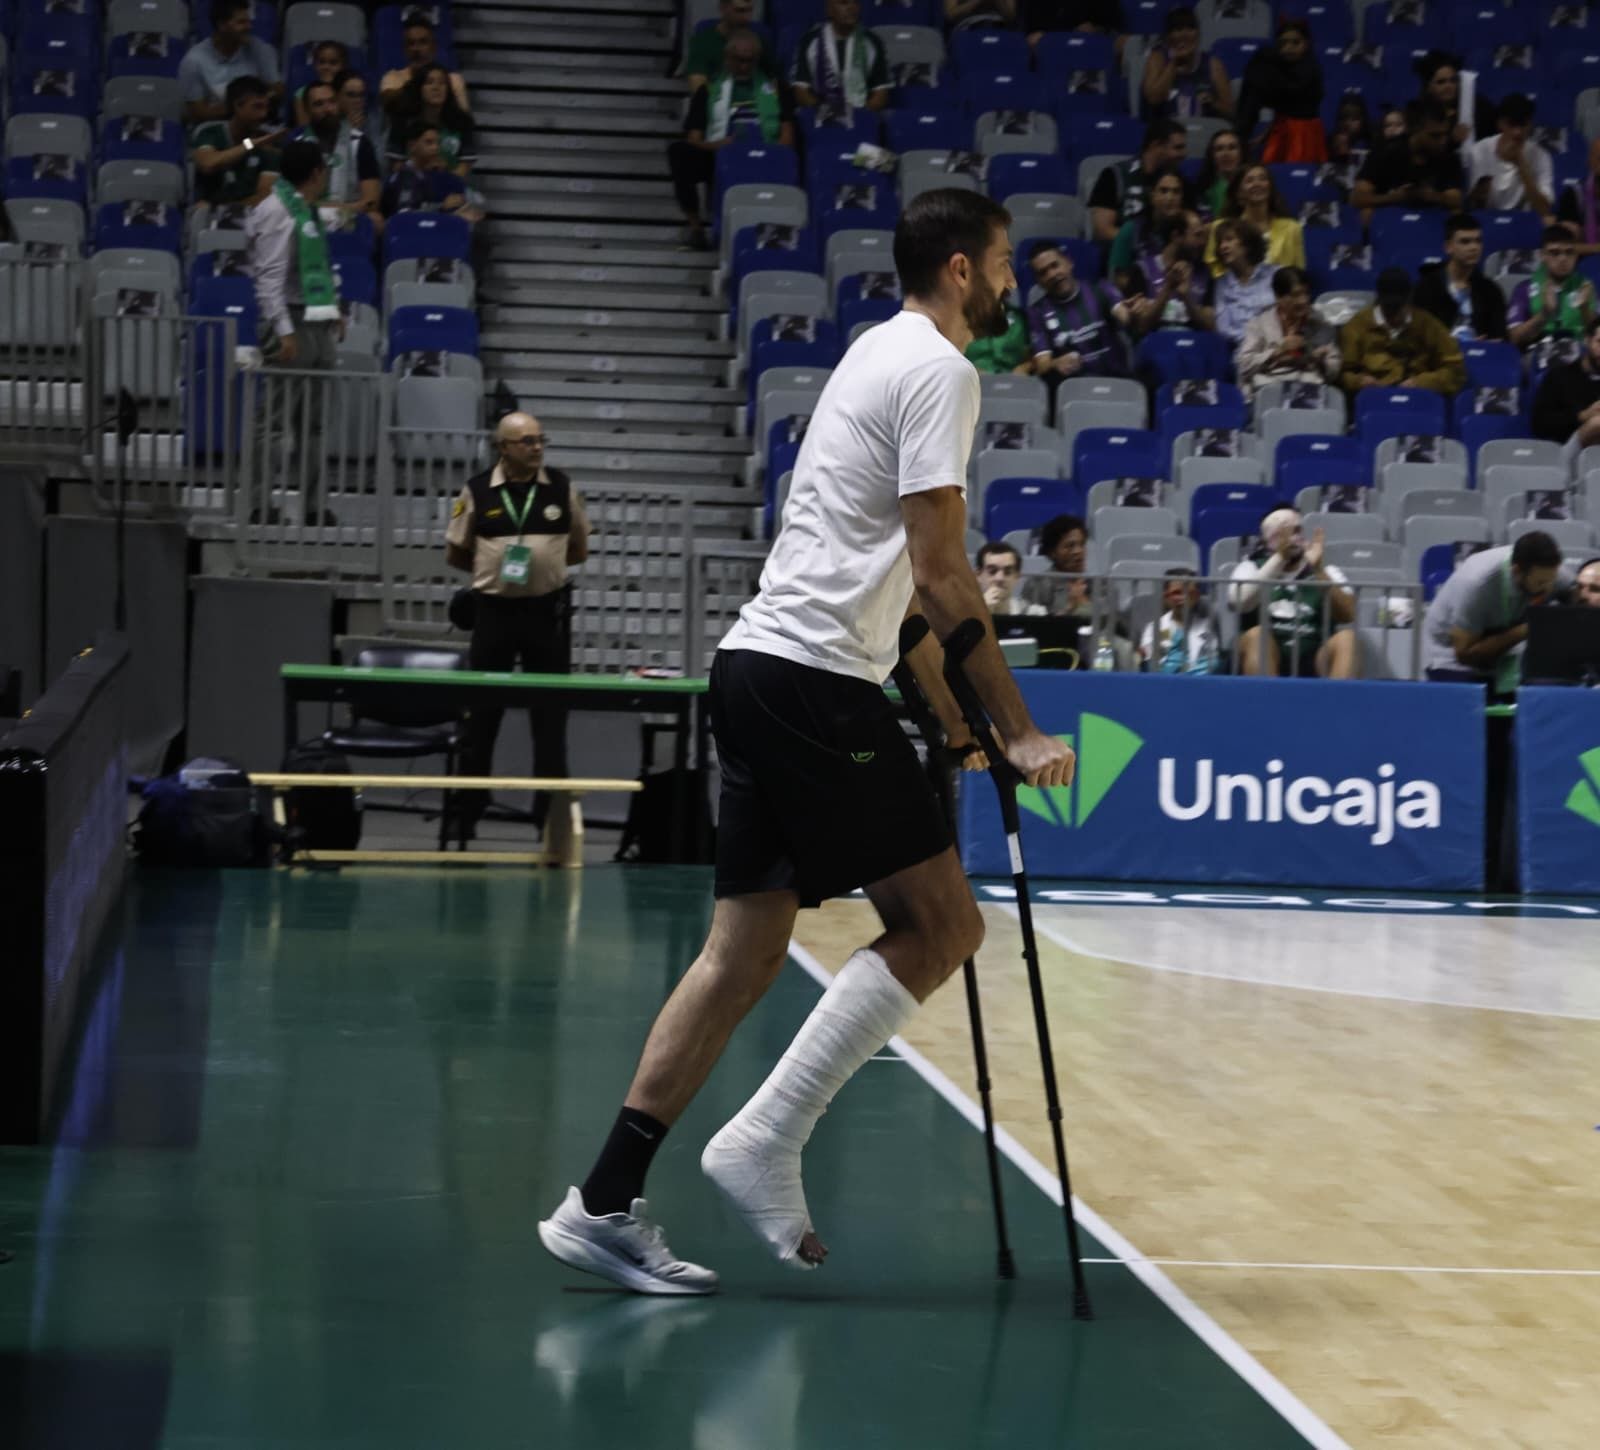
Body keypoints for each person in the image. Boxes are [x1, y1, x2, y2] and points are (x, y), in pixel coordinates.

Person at [535, 189, 1074, 1293]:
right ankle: (766, 1136)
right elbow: (938, 571)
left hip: (759, 670)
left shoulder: (872, 353)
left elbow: (896, 591)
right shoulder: (941, 371)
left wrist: (949, 716)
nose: (1016, 281)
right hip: (814, 683)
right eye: (1007, 263)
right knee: (942, 924)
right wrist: (1014, 729)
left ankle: (600, 1200)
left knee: (741, 956)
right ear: (963, 270)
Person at [445, 412, 589, 835]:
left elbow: (578, 548)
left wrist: (543, 571)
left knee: (549, 720)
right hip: (493, 614)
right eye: (525, 441)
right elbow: (457, 551)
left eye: (540, 439)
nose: (536, 447)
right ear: (502, 448)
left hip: (547, 615)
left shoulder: (562, 488)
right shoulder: (475, 491)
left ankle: (550, 819)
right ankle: (467, 814)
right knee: (481, 717)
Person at [245, 140, 341, 523]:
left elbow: (318, 264)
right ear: (317, 173)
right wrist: (283, 331)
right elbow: (268, 279)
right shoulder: (274, 210)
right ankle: (259, 505)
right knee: (274, 421)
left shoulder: (306, 209)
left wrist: (334, 306)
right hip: (288, 320)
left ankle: (315, 508)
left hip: (316, 317)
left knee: (314, 421)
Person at [670, 34, 794, 250]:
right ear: (727, 59)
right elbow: (693, 139)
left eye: (750, 61)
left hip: (766, 155)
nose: (744, 66)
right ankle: (697, 229)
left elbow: (787, 133)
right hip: (722, 154)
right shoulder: (708, 91)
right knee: (679, 152)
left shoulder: (776, 89)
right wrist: (721, 146)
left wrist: (768, 152)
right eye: (739, 60)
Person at [1228, 507, 1357, 678]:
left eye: (1297, 531)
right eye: (1284, 533)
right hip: (1266, 653)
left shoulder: (1326, 571)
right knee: (1257, 636)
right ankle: (1263, 701)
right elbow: (1239, 603)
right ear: (1269, 539)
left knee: (1347, 639)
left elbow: (1349, 614)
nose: (1294, 538)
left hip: (1314, 655)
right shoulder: (1250, 568)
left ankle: (1335, 704)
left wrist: (1318, 571)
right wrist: (1280, 558)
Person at [1421, 532, 1565, 682]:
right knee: (1474, 700)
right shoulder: (1477, 584)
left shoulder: (1547, 569)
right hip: (1450, 657)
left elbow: (1577, 589)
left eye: (1552, 581)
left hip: (1502, 654)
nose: (1548, 588)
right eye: (1541, 583)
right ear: (1516, 571)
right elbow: (1465, 655)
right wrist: (1527, 629)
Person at [1023, 240, 1134, 388]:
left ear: (1069, 263)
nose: (1052, 274)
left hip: (1117, 379)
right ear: (1039, 281)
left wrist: (1133, 313)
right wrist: (1056, 363)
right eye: (1043, 273)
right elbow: (1042, 364)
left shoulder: (1101, 290)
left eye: (1055, 265)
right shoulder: (1037, 312)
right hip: (1075, 388)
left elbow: (1125, 317)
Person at [1339, 268, 1466, 396]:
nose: (1395, 316)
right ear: (1379, 301)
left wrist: (1422, 382)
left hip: (1417, 397)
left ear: (1409, 300)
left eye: (1398, 308)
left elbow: (1455, 370)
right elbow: (1342, 373)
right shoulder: (1357, 326)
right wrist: (1359, 381)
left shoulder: (1428, 325)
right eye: (1389, 309)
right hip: (1373, 396)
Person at [294, 79, 382, 236]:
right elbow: (295, 201)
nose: (328, 109)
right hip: (309, 217)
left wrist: (340, 209)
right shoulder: (298, 146)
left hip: (347, 215)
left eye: (331, 102)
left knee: (375, 221)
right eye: (319, 104)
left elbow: (371, 201)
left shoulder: (360, 142)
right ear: (307, 111)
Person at [1236, 266, 1339, 400]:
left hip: (1308, 392)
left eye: (1306, 293)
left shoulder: (1321, 325)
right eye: (1296, 295)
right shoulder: (1259, 324)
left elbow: (1334, 371)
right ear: (1278, 297)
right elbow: (1244, 366)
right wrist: (1277, 351)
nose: (1304, 300)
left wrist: (1316, 359)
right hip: (1268, 392)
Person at [1351, 100, 1465, 218]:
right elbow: (1358, 199)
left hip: (1432, 220)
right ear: (1414, 129)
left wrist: (1431, 196)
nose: (1442, 141)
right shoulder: (1385, 151)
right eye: (1434, 136)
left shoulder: (1448, 156)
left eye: (1445, 134)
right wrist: (1396, 197)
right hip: (1390, 219)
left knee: (1456, 213)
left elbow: (1456, 200)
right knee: (1365, 213)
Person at [179, 0, 282, 126]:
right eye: (241, 22)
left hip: (256, 128)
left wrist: (258, 103)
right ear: (222, 25)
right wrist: (241, 107)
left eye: (249, 21)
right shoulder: (193, 61)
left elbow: (278, 89)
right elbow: (198, 112)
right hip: (215, 130)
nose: (249, 27)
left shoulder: (261, 50)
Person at [1235, 18, 1325, 163]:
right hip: (1281, 130)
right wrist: (1266, 134)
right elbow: (1285, 107)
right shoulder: (1276, 67)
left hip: (1304, 135)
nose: (1288, 48)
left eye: (1296, 42)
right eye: (1283, 43)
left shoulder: (1311, 69)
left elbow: (1294, 98)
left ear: (1306, 44)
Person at [191, 75, 284, 209]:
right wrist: (250, 144)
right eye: (257, 107)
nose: (263, 114)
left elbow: (264, 197)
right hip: (206, 214)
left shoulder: (269, 141)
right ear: (237, 106)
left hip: (250, 215)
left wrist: (226, 208)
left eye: (266, 107)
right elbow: (208, 164)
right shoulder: (209, 131)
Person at [1088, 120, 1187, 245]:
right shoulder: (1114, 175)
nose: (1184, 154)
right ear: (1155, 146)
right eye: (1178, 148)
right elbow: (1103, 230)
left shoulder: (1178, 179)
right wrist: (1144, 244)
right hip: (1122, 256)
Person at [1413, 213, 1508, 343]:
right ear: (1448, 247)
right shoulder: (1426, 287)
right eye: (1465, 242)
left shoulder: (1491, 291)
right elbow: (1418, 336)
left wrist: (1486, 345)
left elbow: (1500, 338)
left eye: (1478, 241)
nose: (1474, 247)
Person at [790, 0, 892, 114]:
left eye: (855, 3)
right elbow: (800, 91)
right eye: (844, 3)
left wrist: (861, 116)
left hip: (862, 117)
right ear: (829, 10)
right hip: (819, 117)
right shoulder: (810, 41)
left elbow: (881, 93)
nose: (851, 7)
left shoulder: (873, 42)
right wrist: (825, 112)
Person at [1507, 226, 1596, 355]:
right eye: (1555, 253)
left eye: (1569, 252)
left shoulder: (1585, 286)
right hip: (1539, 354)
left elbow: (1596, 336)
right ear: (1542, 255)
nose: (1563, 258)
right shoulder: (1525, 288)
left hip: (1578, 355)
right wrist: (1545, 313)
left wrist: (1585, 310)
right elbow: (1513, 337)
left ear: (1576, 255)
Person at [1203, 163, 1304, 276]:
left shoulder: (1292, 228)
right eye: (1249, 180)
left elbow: (1298, 273)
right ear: (1239, 192)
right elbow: (1214, 269)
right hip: (1233, 291)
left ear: (1270, 187)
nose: (1257, 184)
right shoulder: (1219, 227)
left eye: (1262, 179)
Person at [1126, 210, 1215, 335]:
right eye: (1197, 235)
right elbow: (1141, 327)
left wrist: (1186, 297)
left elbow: (1211, 326)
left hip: (1195, 349)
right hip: (1156, 349)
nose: (1203, 242)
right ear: (1176, 237)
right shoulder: (1142, 270)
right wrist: (1167, 288)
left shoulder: (1205, 273)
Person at [386, 64, 478, 179]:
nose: (436, 87)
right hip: (413, 186)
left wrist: (445, 184)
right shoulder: (403, 122)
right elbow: (396, 165)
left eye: (442, 83)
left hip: (451, 187)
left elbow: (465, 166)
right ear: (419, 88)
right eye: (429, 82)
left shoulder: (462, 122)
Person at [1468, 94, 1553, 218]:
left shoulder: (1541, 156)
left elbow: (1544, 210)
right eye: (1511, 125)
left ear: (1530, 125)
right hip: (1487, 219)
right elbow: (1473, 207)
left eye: (1522, 125)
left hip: (1524, 219)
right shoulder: (1478, 151)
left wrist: (1520, 164)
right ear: (1500, 124)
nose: (1517, 132)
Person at [1141, 7, 1231, 121]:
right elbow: (1153, 98)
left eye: (1190, 28)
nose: (1184, 34)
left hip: (1203, 130)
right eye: (1178, 29)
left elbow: (1230, 111)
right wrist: (1174, 62)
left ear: (1198, 34)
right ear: (1168, 37)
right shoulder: (1157, 59)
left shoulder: (1213, 64)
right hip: (1165, 130)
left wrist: (1212, 102)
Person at [1107, 166, 1185, 292]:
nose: (1170, 198)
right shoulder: (1131, 230)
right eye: (1163, 191)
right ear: (1152, 196)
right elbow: (1119, 278)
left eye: (1176, 192)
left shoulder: (1187, 229)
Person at [381, 14, 470, 115]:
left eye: (423, 42)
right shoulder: (392, 78)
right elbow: (388, 104)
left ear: (434, 47)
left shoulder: (453, 80)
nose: (416, 49)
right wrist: (417, 81)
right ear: (405, 49)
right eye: (411, 43)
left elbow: (464, 121)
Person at [1530, 316, 1600, 445]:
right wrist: (1582, 416)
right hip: (1567, 452)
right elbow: (1539, 424)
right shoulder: (1559, 376)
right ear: (1587, 340)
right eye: (1599, 342)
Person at [380, 121, 471, 219]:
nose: (435, 148)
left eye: (438, 143)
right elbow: (406, 218)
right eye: (429, 142)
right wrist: (442, 209)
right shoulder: (405, 177)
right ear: (412, 146)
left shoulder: (429, 175)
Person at [1139, 568, 1218, 674]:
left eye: (1189, 593)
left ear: (1197, 596)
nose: (1184, 598)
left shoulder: (1206, 627)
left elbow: (1210, 663)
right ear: (1166, 596)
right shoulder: (1156, 628)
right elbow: (1153, 664)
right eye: (1177, 593)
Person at [1412, 50, 1494, 150]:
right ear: (1428, 87)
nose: (1449, 86)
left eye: (1453, 80)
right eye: (1441, 82)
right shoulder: (1419, 114)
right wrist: (1452, 140)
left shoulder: (1479, 107)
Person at [1212, 218, 1276, 345]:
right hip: (1244, 352)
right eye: (1220, 242)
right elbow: (1224, 329)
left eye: (1229, 239)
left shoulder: (1275, 274)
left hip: (1277, 345)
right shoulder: (1221, 284)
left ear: (1247, 244)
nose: (1223, 246)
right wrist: (1254, 340)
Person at [686, 0, 773, 90]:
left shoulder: (760, 41)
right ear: (723, 8)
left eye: (749, 11)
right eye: (740, 11)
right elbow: (697, 86)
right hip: (715, 100)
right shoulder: (702, 42)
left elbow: (775, 82)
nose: (746, 17)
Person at [964, 291, 1032, 373]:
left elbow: (1034, 355)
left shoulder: (1020, 318)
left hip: (1014, 380)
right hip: (973, 378)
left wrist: (1026, 367)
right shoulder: (962, 319)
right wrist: (970, 370)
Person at [1557, 137, 1600, 259]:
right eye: (1599, 158)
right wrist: (1596, 248)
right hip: (1580, 269)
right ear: (1589, 161)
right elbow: (1562, 246)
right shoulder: (1573, 195)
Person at [977, 541, 1047, 615]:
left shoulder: (1034, 614)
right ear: (978, 575)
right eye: (992, 571)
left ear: (1017, 576)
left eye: (1007, 572)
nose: (1000, 578)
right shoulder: (965, 613)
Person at [292, 39, 348, 126]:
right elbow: (304, 128)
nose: (326, 67)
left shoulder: (347, 91)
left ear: (343, 66)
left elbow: (353, 123)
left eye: (333, 63)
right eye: (321, 62)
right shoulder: (301, 94)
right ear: (314, 65)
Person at [1195, 128, 1242, 219]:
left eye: (1232, 148)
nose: (1226, 154)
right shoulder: (1204, 188)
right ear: (1212, 156)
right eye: (1219, 149)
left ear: (1241, 153)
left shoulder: (1252, 184)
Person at [1328, 96, 1373, 165]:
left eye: (1354, 119)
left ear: (1363, 120)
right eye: (1344, 118)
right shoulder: (1330, 141)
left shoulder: (1371, 141)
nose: (1348, 123)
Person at [945, 0, 1018, 32]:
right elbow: (950, 14)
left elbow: (1011, 16)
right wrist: (976, 2)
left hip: (999, 27)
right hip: (968, 28)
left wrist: (998, 2)